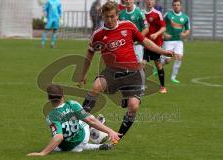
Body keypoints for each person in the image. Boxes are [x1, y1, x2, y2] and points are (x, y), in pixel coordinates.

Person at [78, 1, 173, 144]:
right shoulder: (98, 35)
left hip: (133, 73)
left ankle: (117, 137)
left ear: (117, 15)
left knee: (133, 106)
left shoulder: (128, 26)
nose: (109, 20)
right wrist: (82, 74)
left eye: (112, 16)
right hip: (111, 72)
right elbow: (89, 55)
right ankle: (82, 119)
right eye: (106, 17)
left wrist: (163, 51)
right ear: (102, 16)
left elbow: (145, 42)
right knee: (96, 86)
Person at [27, 84, 121, 156]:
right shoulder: (72, 104)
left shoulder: (51, 116)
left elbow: (59, 137)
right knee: (88, 118)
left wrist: (43, 153)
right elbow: (89, 119)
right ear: (62, 95)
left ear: (49, 98)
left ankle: (96, 135)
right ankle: (97, 137)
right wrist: (110, 131)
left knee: (58, 144)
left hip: (68, 148)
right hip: (82, 138)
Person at [162, 0, 190, 84]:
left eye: (178, 5)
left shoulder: (185, 17)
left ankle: (173, 77)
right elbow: (160, 25)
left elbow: (188, 29)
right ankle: (158, 65)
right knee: (167, 60)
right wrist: (164, 33)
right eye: (174, 5)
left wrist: (185, 34)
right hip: (168, 41)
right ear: (172, 6)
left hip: (178, 41)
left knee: (179, 57)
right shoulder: (168, 15)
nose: (176, 6)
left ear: (180, 6)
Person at [142, 0, 167, 93]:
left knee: (158, 64)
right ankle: (142, 86)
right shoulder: (141, 13)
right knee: (142, 63)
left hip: (156, 43)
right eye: (148, 0)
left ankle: (163, 86)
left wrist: (156, 34)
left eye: (151, 0)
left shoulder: (157, 14)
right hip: (144, 43)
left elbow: (164, 27)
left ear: (154, 2)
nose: (149, 2)